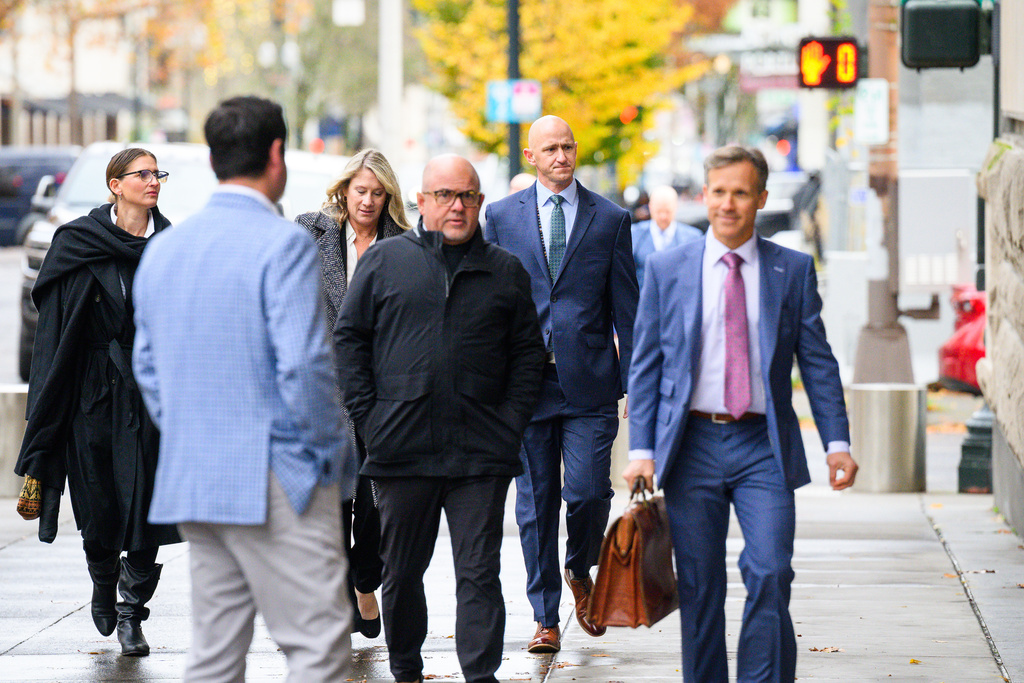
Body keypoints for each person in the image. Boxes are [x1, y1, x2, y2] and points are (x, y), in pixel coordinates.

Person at [132, 96, 357, 682]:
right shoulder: (283, 244)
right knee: (317, 647)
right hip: (279, 475)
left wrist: (191, 431)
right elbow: (306, 368)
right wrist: (333, 459)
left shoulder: (164, 249)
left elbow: (148, 369)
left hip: (194, 474)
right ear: (276, 155)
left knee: (213, 655)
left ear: (212, 159)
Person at [623, 145, 858, 683]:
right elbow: (647, 366)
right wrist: (642, 451)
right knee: (701, 587)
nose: (728, 204)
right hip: (692, 447)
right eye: (719, 192)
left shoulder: (791, 270)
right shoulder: (667, 269)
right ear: (704, 195)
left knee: (771, 571)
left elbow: (817, 363)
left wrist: (837, 444)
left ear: (761, 199)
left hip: (763, 446)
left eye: (741, 193)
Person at [334, 154, 545, 683]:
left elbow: (527, 355)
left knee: (479, 572)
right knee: (401, 572)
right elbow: (349, 340)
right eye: (445, 195)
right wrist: (370, 421)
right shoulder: (386, 264)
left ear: (480, 202)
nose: (458, 205)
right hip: (401, 450)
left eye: (468, 195)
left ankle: (480, 674)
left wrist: (510, 423)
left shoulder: (504, 271)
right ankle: (405, 668)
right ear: (422, 202)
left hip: (481, 453)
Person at [14, 147, 182, 657]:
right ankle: (103, 578)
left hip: (151, 397)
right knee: (99, 506)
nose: (153, 182)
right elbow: (53, 331)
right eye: (143, 174)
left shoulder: (171, 246)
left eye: (158, 174)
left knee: (150, 505)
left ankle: (132, 612)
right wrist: (50, 405)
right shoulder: (77, 242)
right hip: (91, 393)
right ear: (115, 184)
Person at [483, 115, 639, 653]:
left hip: (591, 383)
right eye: (549, 148)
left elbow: (629, 309)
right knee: (534, 504)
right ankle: (545, 615)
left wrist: (634, 384)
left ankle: (579, 567)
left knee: (590, 490)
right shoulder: (500, 218)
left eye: (568, 147)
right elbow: (489, 303)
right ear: (530, 157)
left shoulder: (610, 218)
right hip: (526, 385)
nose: (561, 156)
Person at [295, 148, 410, 640]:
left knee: (378, 504)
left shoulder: (404, 243)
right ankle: (342, 595)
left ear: (389, 198)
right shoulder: (308, 232)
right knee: (332, 505)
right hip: (323, 391)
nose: (367, 200)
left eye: (377, 193)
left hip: (384, 394)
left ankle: (366, 581)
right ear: (344, 189)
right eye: (360, 190)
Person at [631, 184, 703, 288]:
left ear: (676, 207)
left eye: (667, 211)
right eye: (659, 211)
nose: (663, 217)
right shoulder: (634, 235)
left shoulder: (693, 238)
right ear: (650, 208)